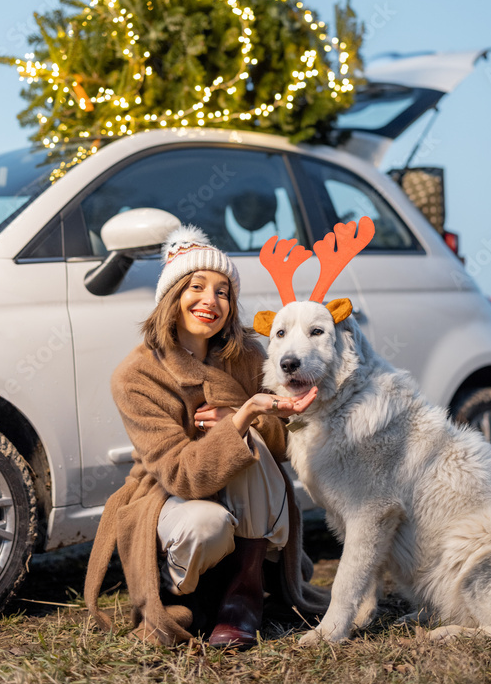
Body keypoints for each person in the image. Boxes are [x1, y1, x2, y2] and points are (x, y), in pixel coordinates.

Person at [84, 224, 327, 648]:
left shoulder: (249, 354)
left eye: (223, 292)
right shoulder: (136, 375)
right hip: (172, 498)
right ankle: (183, 587)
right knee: (206, 524)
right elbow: (181, 477)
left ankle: (242, 600)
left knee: (248, 444)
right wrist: (244, 414)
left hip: (252, 501)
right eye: (197, 287)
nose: (210, 301)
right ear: (172, 296)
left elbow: (287, 442)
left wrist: (243, 416)